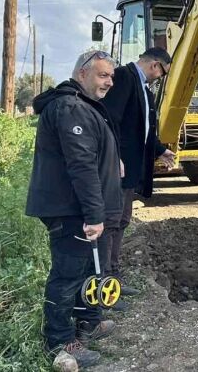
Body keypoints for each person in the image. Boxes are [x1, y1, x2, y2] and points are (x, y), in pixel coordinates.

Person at [25, 50, 121, 367]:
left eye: (111, 76)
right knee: (67, 276)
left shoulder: (83, 106)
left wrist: (112, 159)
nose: (109, 81)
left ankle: (86, 326)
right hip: (70, 209)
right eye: (102, 74)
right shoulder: (70, 107)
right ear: (82, 73)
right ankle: (60, 344)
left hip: (81, 207)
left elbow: (91, 153)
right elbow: (80, 165)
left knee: (88, 271)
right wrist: (94, 215)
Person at [100, 48, 175, 304]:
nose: (160, 78)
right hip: (117, 169)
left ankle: (114, 281)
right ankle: (104, 287)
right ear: (155, 65)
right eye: (163, 73)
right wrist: (114, 156)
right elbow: (109, 120)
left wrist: (160, 149)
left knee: (120, 222)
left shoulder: (142, 87)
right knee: (110, 224)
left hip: (129, 170)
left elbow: (140, 127)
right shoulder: (123, 77)